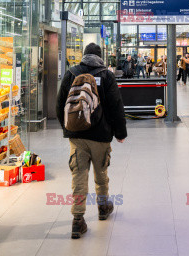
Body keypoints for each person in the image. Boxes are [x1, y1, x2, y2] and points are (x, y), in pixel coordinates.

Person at [56, 43, 127, 239]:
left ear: (84, 55)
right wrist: (120, 132)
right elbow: (116, 106)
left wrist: (67, 128)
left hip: (77, 136)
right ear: (100, 57)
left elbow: (60, 103)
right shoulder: (106, 75)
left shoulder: (71, 73)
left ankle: (77, 220)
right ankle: (103, 207)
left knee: (78, 175)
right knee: (101, 172)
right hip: (101, 135)